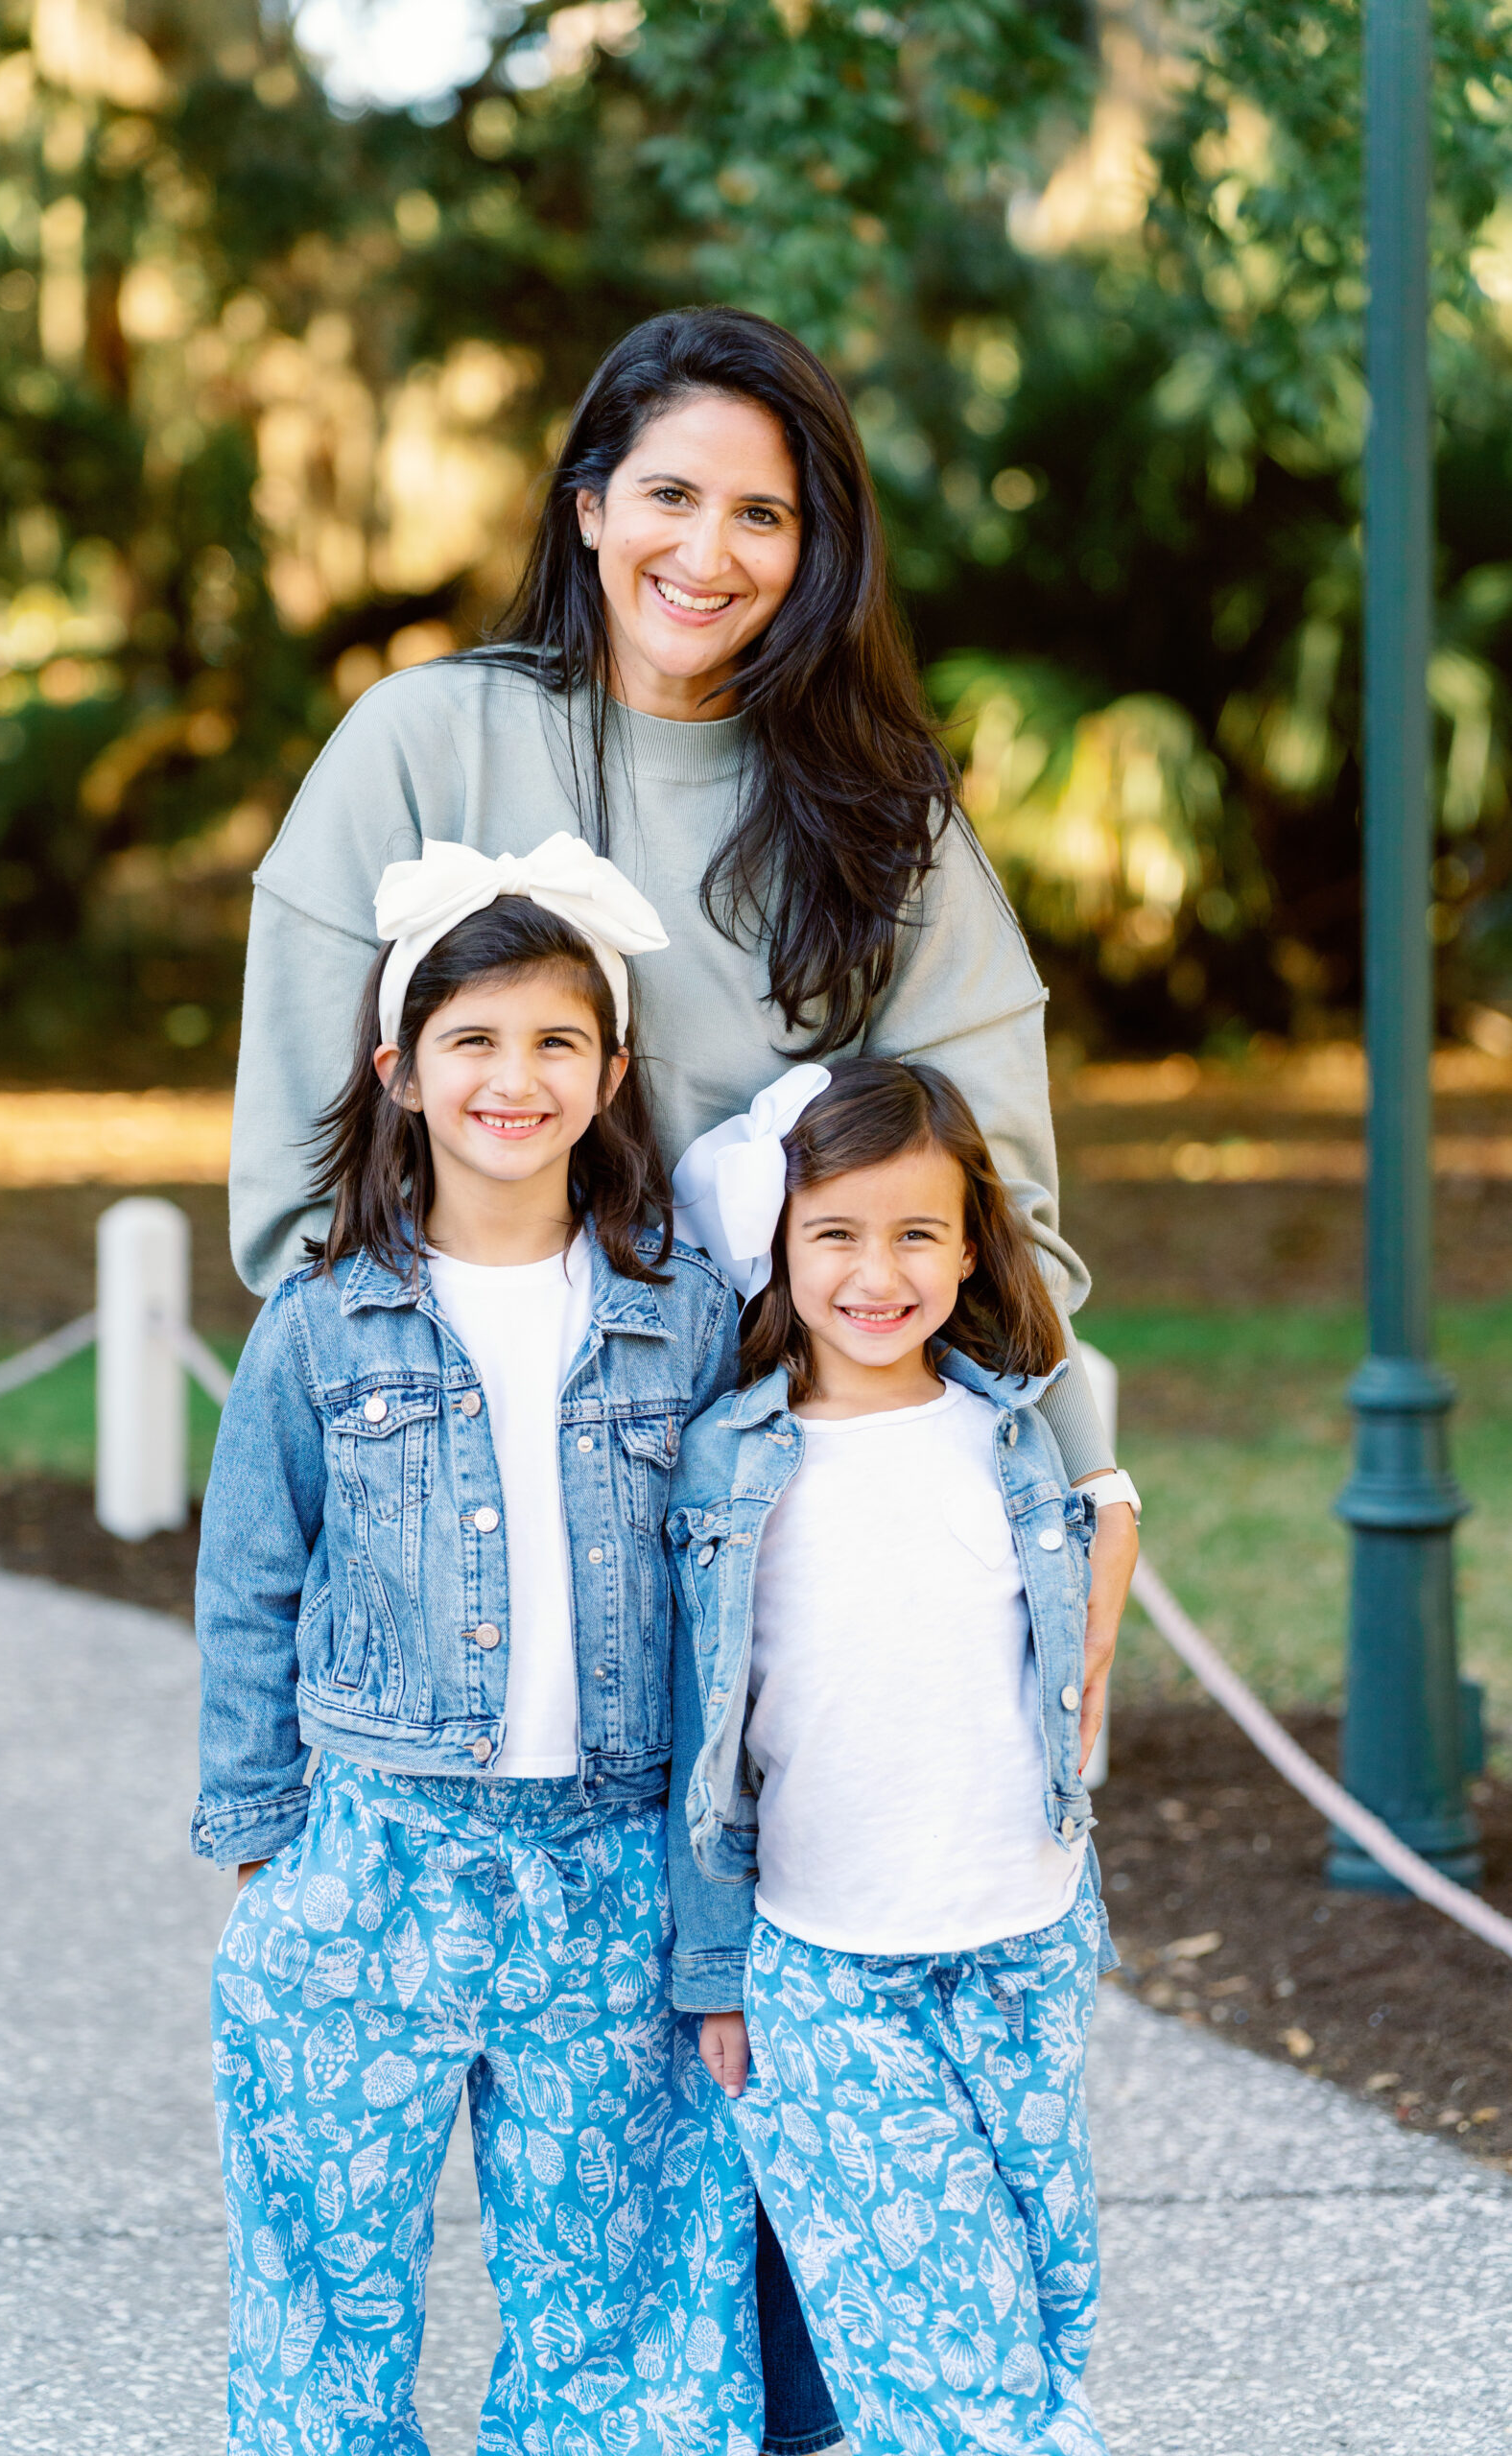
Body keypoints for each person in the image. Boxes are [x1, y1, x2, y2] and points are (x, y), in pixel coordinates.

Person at [227, 300, 1138, 2451]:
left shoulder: (882, 818)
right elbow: (292, 1200)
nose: (709, 551)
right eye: (669, 497)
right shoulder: (420, 745)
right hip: (490, 1548)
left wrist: (1075, 1522)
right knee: (430, 2209)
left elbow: (1002, 1221)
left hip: (797, 1550)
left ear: (816, 542)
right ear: (586, 504)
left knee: (774, 2120)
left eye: (764, 508)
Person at [193, 836, 766, 2456]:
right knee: (327, 2289)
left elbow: (744, 1587)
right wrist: (261, 1851)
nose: (515, 1079)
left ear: (613, 1068)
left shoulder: (687, 1315)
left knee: (617, 2293)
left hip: (613, 1866)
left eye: (555, 1042)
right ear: (400, 1069)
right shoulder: (324, 1321)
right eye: (474, 1041)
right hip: (377, 1854)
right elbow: (248, 1578)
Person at [665, 1057, 1133, 2456]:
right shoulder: (732, 1466)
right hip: (826, 1964)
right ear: (779, 1248)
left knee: (1043, 2299)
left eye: (917, 1233)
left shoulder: (1017, 1432)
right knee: (939, 2344)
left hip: (1026, 1934)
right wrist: (715, 1966)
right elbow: (701, 1741)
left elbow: (1087, 1570)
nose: (879, 1273)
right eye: (837, 1235)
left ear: (973, 1242)